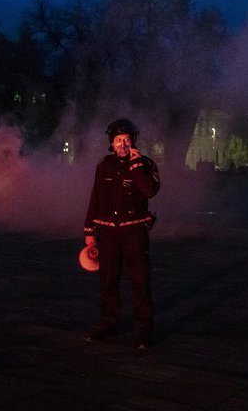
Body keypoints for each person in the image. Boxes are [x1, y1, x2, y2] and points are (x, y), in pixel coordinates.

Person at [83, 118, 160, 349]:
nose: (122, 144)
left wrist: (136, 167)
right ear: (111, 142)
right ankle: (109, 324)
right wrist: (88, 231)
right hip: (107, 233)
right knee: (108, 281)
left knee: (140, 281)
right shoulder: (103, 165)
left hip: (134, 232)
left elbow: (150, 190)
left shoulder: (145, 164)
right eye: (118, 140)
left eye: (126, 140)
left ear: (133, 140)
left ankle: (144, 331)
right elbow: (95, 198)